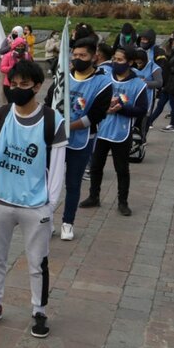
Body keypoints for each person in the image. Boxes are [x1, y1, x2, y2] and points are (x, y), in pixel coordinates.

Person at [0, 60, 66, 336]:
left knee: (37, 261)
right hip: (0, 199)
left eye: (24, 85)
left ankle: (39, 310)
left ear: (37, 87)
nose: (17, 89)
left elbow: (58, 168)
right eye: (13, 84)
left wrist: (49, 206)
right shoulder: (1, 115)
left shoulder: (53, 120)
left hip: (34, 205)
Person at [50, 37, 112, 241]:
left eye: (82, 55)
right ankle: (47, 219)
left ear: (94, 57)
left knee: (73, 183)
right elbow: (49, 101)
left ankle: (68, 222)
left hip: (81, 140)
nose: (78, 59)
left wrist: (69, 127)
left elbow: (96, 115)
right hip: (55, 139)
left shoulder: (102, 83)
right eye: (75, 55)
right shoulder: (63, 76)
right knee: (49, 182)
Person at [80, 46, 149, 216]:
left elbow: (141, 110)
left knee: (122, 169)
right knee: (96, 166)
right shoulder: (104, 78)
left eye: (120, 60)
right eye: (114, 59)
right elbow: (90, 100)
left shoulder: (138, 84)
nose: (115, 63)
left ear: (130, 62)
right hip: (101, 129)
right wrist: (103, 106)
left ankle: (122, 202)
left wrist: (121, 108)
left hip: (121, 133)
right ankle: (93, 196)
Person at [147, 31, 174, 133]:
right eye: (173, 43)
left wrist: (167, 66)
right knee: (160, 104)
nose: (173, 45)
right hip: (169, 83)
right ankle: (149, 122)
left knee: (173, 105)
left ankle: (172, 125)